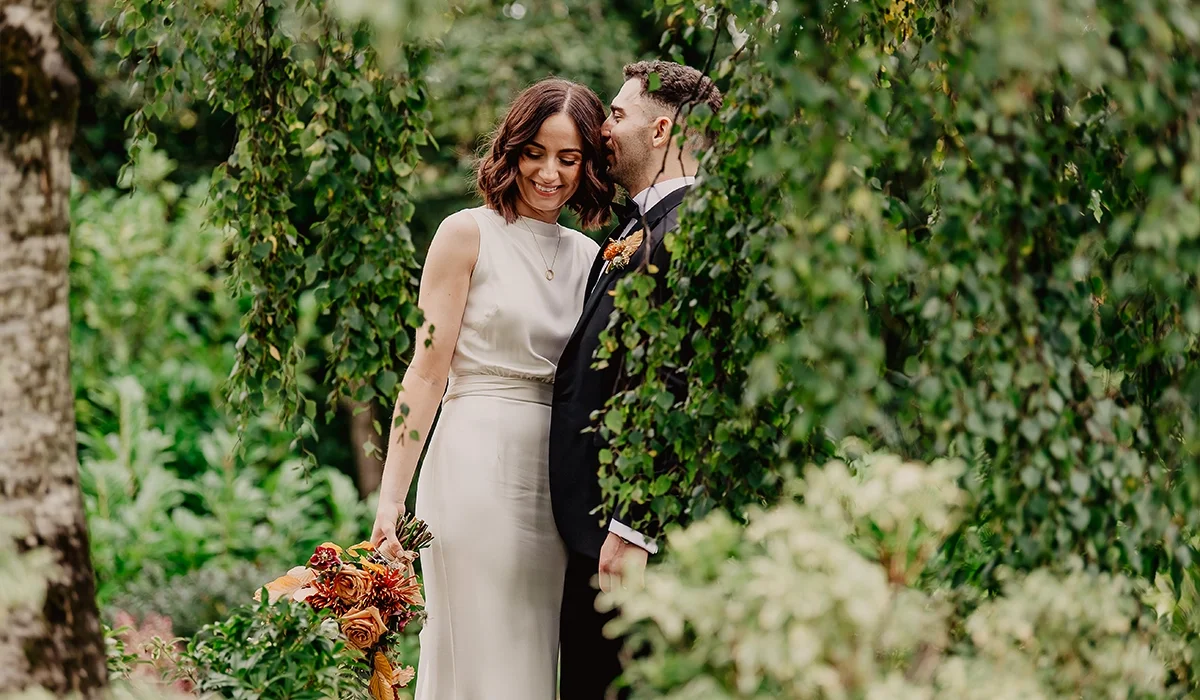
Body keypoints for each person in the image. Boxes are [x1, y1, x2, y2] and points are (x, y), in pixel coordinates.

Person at [370, 78, 613, 700]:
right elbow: (426, 372)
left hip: (556, 478)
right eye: (535, 153)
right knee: (480, 653)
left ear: (587, 164)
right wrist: (391, 499)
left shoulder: (592, 257)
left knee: (533, 657)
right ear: (512, 150)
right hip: (474, 461)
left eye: (568, 158)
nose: (549, 174)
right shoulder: (465, 234)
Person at [549, 60, 723, 700]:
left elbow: (684, 385)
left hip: (626, 540)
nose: (603, 129)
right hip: (591, 528)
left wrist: (633, 528)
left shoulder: (692, 231)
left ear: (661, 131)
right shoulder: (638, 228)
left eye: (618, 115)